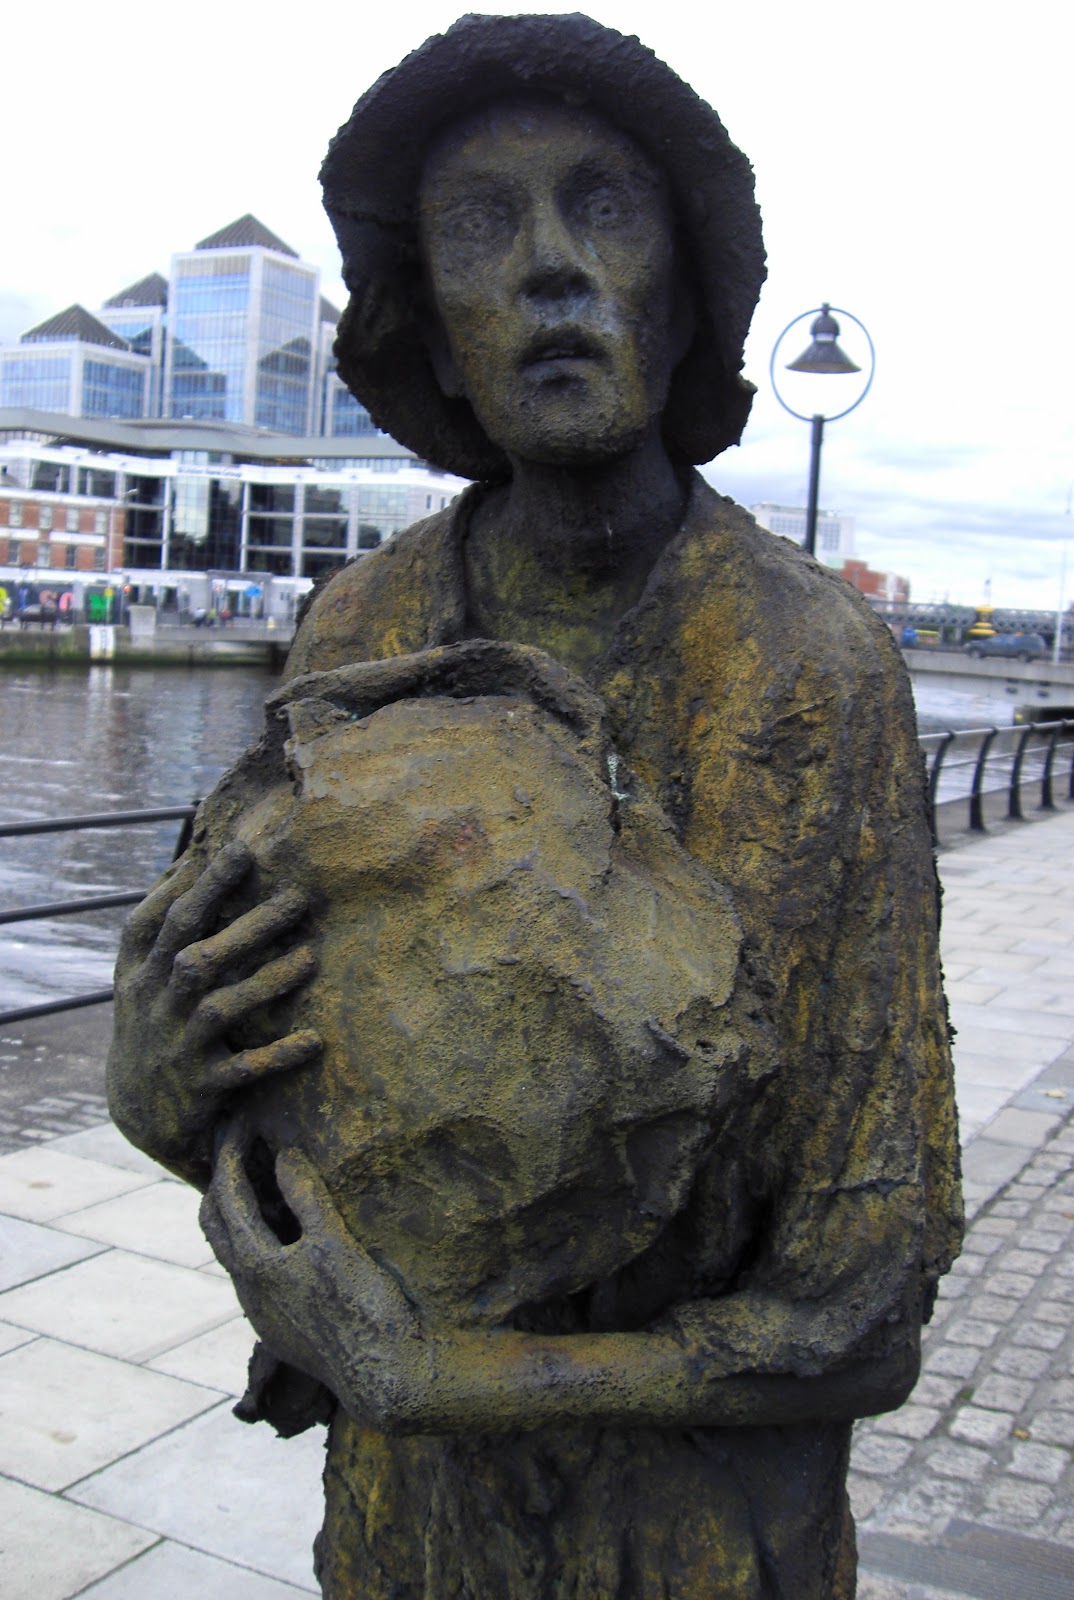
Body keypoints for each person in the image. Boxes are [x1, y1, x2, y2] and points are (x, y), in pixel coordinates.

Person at [108, 16, 962, 1598]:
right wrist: (159, 1092)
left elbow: (859, 1314)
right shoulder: (360, 627)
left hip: (699, 1548)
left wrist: (453, 1378)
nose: (550, 269)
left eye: (604, 208)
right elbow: (292, 1115)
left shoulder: (809, 667)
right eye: (480, 226)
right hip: (406, 1536)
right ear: (433, 329)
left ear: (683, 294)